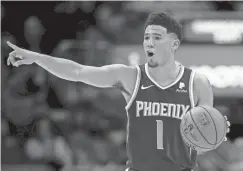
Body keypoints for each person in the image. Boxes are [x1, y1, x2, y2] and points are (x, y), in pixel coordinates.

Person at [7, 12, 230, 171]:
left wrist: (215, 135)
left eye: (157, 37)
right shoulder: (130, 76)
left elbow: (201, 145)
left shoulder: (197, 83)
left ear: (174, 44)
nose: (149, 43)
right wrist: (37, 58)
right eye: (146, 37)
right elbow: (77, 71)